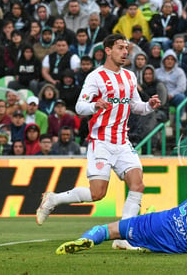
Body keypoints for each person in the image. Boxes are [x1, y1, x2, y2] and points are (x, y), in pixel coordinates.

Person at [36, 34, 161, 251]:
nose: (125, 52)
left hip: (122, 140)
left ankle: (123, 237)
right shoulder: (96, 77)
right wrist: (95, 105)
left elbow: (136, 106)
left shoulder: (130, 77)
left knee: (137, 184)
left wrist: (149, 105)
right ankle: (53, 199)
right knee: (97, 194)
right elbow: (79, 107)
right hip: (100, 140)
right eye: (120, 48)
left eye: (127, 48)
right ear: (108, 50)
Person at [56, 158, 187, 254]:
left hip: (161, 221)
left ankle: (86, 239)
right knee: (146, 246)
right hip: (176, 245)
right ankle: (142, 246)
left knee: (107, 230)